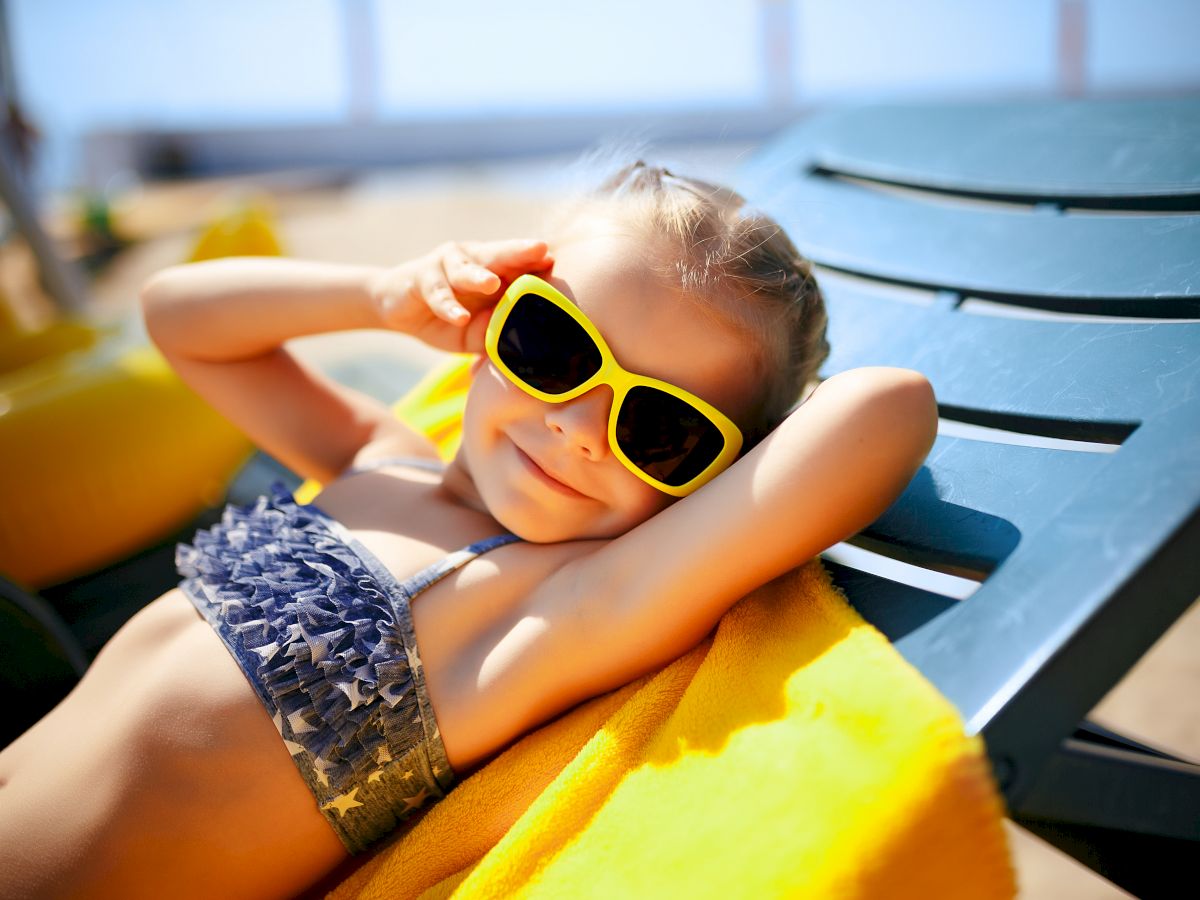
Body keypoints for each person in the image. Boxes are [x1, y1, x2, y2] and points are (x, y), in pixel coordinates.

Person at [0, 161, 937, 899]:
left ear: (711, 478)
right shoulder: (377, 457)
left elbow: (888, 407)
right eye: (555, 346)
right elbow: (179, 320)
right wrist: (381, 298)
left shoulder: (556, 609)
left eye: (663, 428)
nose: (577, 426)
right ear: (492, 320)